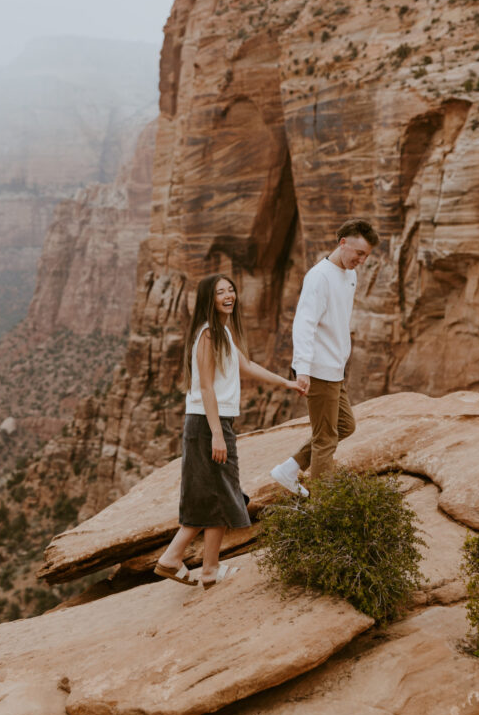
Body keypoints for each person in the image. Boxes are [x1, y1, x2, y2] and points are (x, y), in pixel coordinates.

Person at [155, 273, 303, 589]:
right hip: (207, 425)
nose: (229, 295)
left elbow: (246, 366)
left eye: (231, 290)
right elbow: (206, 387)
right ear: (210, 299)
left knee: (218, 494)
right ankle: (172, 558)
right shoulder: (208, 334)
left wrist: (285, 382)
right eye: (221, 292)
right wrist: (218, 435)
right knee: (221, 492)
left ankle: (208, 570)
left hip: (211, 423)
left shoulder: (220, 331)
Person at [270, 218, 380, 496]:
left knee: (345, 426)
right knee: (325, 439)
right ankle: (322, 506)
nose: (362, 260)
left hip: (335, 368)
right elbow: (304, 324)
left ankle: (291, 467)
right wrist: (302, 369)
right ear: (343, 243)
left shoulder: (350, 275)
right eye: (359, 253)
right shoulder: (319, 277)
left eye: (366, 256)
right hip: (318, 370)